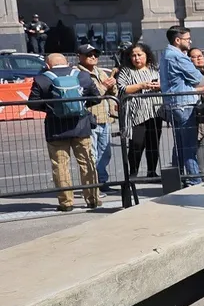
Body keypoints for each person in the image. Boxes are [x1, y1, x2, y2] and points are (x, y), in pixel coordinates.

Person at [30, 53, 103, 211]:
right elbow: (96, 98)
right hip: (81, 126)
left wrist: (52, 109)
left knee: (60, 166)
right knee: (87, 163)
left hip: (56, 128)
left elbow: (32, 103)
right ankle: (93, 199)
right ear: (67, 62)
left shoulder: (42, 79)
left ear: (48, 65)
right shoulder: (83, 76)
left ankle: (66, 203)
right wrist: (80, 107)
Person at [159, 25, 204, 186]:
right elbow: (197, 78)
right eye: (187, 39)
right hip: (184, 104)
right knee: (188, 146)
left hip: (173, 104)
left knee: (179, 145)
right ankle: (194, 180)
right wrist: (201, 87)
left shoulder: (166, 54)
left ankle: (178, 178)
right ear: (177, 40)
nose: (190, 41)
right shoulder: (178, 56)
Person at [116, 42, 163, 179]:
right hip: (136, 113)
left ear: (146, 55)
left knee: (153, 143)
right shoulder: (125, 71)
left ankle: (152, 172)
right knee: (136, 143)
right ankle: (133, 172)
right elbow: (122, 89)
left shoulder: (154, 69)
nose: (136, 58)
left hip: (155, 111)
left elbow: (164, 84)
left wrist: (159, 86)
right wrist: (141, 85)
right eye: (133, 55)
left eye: (139, 55)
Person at [76, 44, 117, 191]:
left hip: (105, 118)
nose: (93, 57)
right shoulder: (78, 74)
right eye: (89, 55)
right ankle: (94, 185)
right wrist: (105, 86)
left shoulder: (101, 72)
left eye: (95, 54)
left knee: (105, 153)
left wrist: (112, 85)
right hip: (89, 119)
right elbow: (93, 95)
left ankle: (102, 181)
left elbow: (113, 93)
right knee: (91, 154)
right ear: (79, 57)